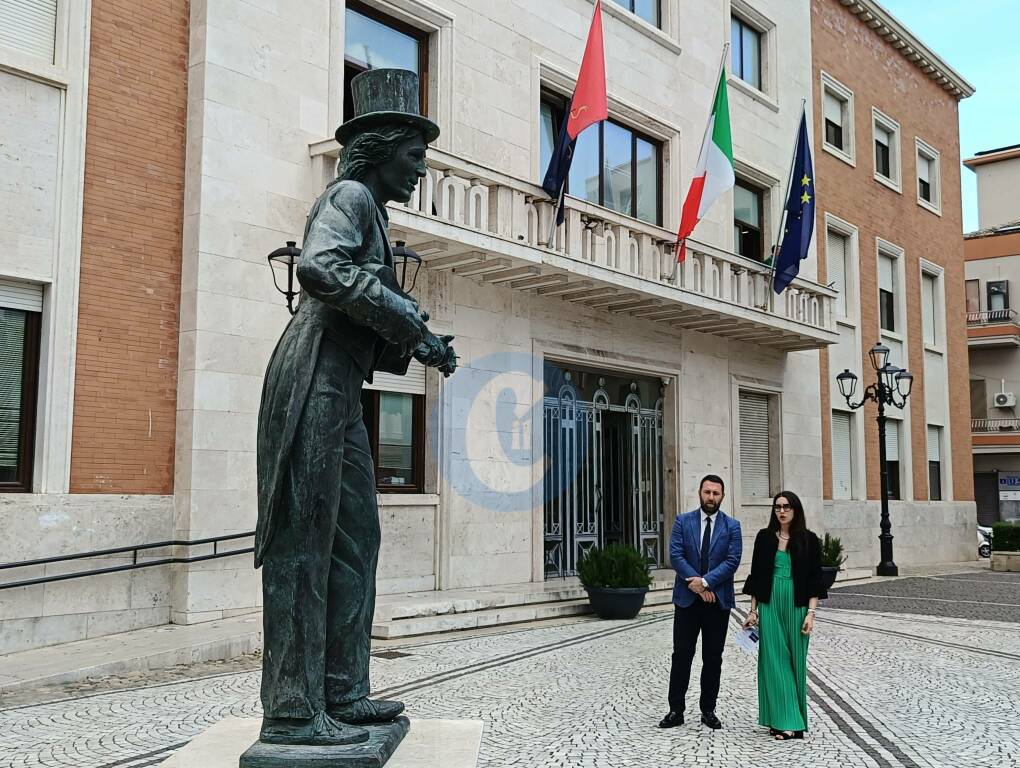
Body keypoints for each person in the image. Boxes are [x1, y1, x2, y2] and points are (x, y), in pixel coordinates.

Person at [254, 69, 456, 747]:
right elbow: (319, 268)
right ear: (379, 152)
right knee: (305, 546)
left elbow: (365, 301)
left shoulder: (372, 212)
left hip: (339, 385)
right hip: (312, 375)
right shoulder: (346, 195)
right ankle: (291, 708)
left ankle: (342, 691)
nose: (421, 170)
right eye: (414, 157)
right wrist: (403, 311)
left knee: (355, 539)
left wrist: (423, 339)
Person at [741, 491, 827, 740]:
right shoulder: (765, 538)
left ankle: (792, 719)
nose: (781, 511)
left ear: (795, 509)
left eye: (786, 506)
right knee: (774, 663)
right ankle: (784, 720)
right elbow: (756, 577)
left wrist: (811, 614)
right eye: (777, 506)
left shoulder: (809, 540)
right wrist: (753, 610)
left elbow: (815, 581)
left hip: (797, 605)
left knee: (794, 663)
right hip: (769, 604)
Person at [659, 475, 742, 731]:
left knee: (713, 658)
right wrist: (694, 584)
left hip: (717, 601)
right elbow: (676, 555)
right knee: (681, 655)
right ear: (699, 493)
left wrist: (705, 583)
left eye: (716, 493)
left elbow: (732, 561)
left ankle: (708, 709)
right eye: (707, 492)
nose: (711, 497)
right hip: (687, 601)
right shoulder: (683, 522)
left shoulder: (732, 526)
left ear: (723, 496)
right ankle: (676, 710)